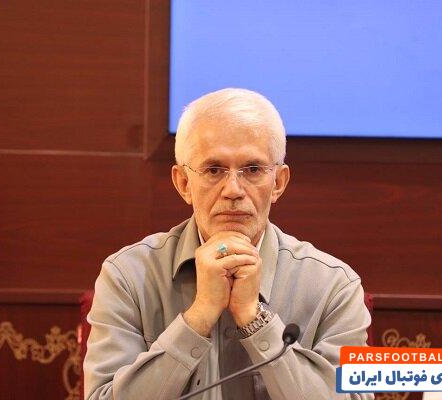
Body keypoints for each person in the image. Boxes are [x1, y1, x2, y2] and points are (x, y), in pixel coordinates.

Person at [84, 88, 373, 400]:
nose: (233, 190)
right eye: (213, 170)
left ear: (278, 183)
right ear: (184, 183)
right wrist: (199, 316)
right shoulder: (127, 276)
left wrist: (254, 319)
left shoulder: (335, 286)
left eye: (253, 170)